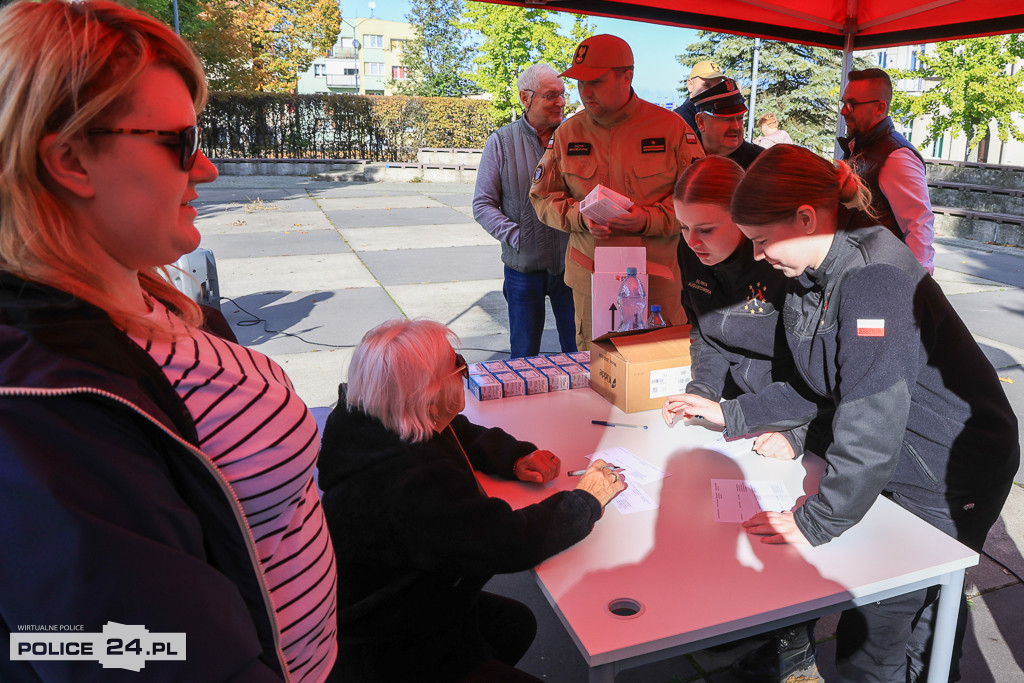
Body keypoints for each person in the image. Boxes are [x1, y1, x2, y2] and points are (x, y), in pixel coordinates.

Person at [0, 2, 338, 681]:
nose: (205, 168)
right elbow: (127, 652)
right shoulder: (41, 407)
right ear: (70, 159)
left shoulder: (151, 296)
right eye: (180, 143)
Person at [664, 145, 1019, 682]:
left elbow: (870, 417)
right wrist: (732, 415)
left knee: (887, 626)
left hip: (948, 468)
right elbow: (820, 383)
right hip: (900, 457)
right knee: (905, 615)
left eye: (761, 240)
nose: (756, 256)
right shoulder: (815, 267)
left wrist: (817, 520)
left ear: (806, 218)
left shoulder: (874, 280)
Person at [318, 318, 625, 682]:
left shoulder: (373, 418)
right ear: (428, 396)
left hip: (393, 604)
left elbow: (455, 430)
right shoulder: (411, 483)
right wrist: (585, 501)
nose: (465, 373)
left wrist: (514, 457)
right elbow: (508, 541)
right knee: (510, 627)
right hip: (390, 649)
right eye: (458, 366)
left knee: (515, 624)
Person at [671, 155, 821, 681]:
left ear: (743, 218)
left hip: (797, 409)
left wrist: (795, 432)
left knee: (782, 518)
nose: (692, 241)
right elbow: (705, 329)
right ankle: (744, 617)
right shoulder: (692, 252)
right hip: (743, 405)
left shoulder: (782, 262)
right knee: (720, 506)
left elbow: (820, 372)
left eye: (706, 229)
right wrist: (702, 391)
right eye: (682, 227)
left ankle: (792, 647)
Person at [530, 34, 704, 350]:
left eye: (595, 81)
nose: (585, 91)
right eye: (580, 83)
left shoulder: (671, 129)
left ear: (627, 77)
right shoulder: (568, 133)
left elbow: (700, 199)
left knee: (657, 366)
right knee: (597, 367)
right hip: (592, 280)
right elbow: (543, 197)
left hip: (657, 281)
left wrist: (648, 219)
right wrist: (581, 217)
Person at [474, 64, 576, 358]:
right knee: (523, 355)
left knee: (580, 353)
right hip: (523, 270)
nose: (560, 102)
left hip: (572, 266)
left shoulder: (576, 138)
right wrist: (519, 238)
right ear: (525, 98)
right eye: (551, 95)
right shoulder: (501, 142)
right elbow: (483, 204)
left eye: (563, 95)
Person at [838, 68, 936, 274]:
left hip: (877, 275)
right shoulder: (860, 146)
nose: (844, 111)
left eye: (852, 104)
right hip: (857, 270)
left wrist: (917, 283)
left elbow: (918, 225)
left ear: (880, 107)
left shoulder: (897, 156)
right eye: (843, 103)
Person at [691, 78, 764, 169]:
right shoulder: (682, 156)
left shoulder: (762, 161)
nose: (736, 127)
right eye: (727, 119)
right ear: (701, 122)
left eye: (740, 118)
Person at [673, 59, 725, 144]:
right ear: (690, 85)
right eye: (706, 85)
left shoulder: (721, 116)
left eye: (718, 87)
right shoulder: (678, 120)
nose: (714, 92)